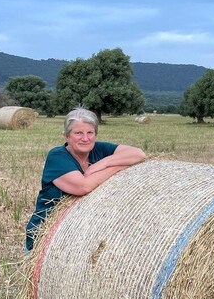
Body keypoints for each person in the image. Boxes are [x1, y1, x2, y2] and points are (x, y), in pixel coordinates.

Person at [26, 107, 147, 251]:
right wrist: (119, 166)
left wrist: (105, 162)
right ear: (66, 136)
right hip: (46, 236)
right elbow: (83, 187)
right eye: (78, 133)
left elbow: (138, 154)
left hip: (80, 236)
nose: (85, 138)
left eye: (90, 133)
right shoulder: (57, 157)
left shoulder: (98, 149)